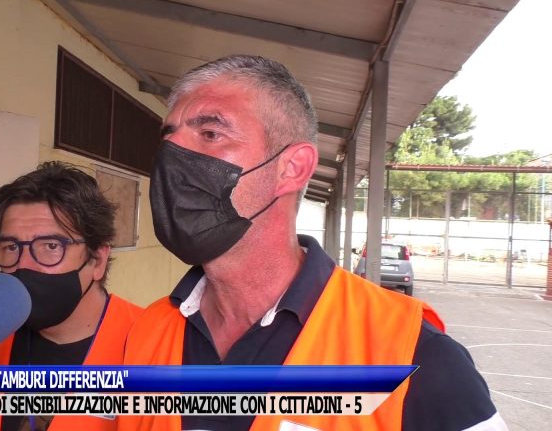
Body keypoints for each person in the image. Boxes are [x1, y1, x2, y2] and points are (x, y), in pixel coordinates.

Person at [120, 55, 507, 430]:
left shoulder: (411, 354)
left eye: (210, 134)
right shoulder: (148, 332)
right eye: (168, 139)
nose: (172, 158)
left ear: (292, 168)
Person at [0, 161, 143, 431]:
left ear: (97, 260)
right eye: (11, 247)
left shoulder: (152, 348)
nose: (24, 265)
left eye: (51, 246)